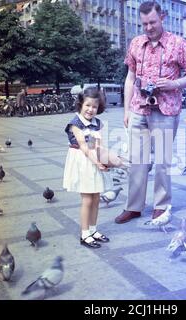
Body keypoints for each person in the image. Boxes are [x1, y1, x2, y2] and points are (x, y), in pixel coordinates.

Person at [114, 1, 186, 224]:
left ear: (162, 17)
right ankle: (133, 206)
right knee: (136, 160)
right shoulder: (135, 43)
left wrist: (175, 84)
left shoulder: (178, 43)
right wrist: (126, 109)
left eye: (152, 22)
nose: (149, 27)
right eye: (144, 24)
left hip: (166, 109)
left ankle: (161, 207)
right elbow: (130, 77)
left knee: (162, 161)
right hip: (138, 109)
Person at [63, 87, 122, 249]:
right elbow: (83, 146)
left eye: (94, 107)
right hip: (82, 161)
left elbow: (99, 146)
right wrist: (97, 163)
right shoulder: (75, 123)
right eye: (87, 105)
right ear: (81, 104)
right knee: (87, 199)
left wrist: (107, 161)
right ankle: (84, 234)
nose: (90, 109)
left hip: (94, 159)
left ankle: (93, 230)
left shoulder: (98, 123)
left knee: (96, 197)